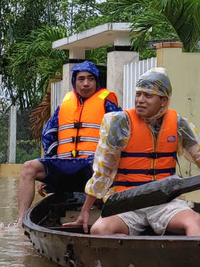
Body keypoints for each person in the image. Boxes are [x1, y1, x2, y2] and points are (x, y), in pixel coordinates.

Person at [79, 67, 200, 236]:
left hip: (165, 201)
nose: (140, 100)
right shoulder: (121, 123)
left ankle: (199, 253)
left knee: (194, 220)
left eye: (148, 96)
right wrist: (85, 210)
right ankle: (131, 248)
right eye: (138, 94)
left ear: (163, 101)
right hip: (127, 201)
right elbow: (104, 170)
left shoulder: (179, 125)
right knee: (99, 230)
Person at [16, 60, 121, 223]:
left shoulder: (108, 105)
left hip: (91, 166)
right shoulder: (64, 107)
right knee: (29, 167)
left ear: (96, 82)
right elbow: (48, 135)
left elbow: (119, 138)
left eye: (91, 79)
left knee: (99, 166)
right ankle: (20, 222)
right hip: (65, 165)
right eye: (81, 79)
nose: (86, 83)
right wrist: (48, 173)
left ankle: (100, 210)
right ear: (74, 82)